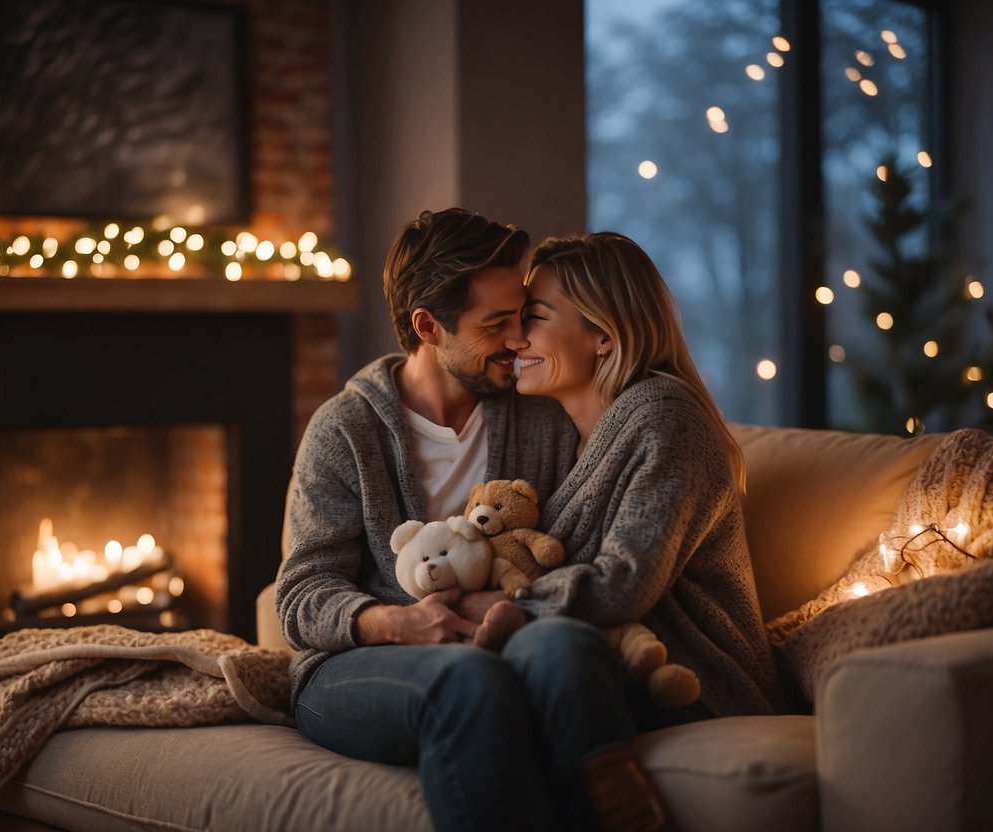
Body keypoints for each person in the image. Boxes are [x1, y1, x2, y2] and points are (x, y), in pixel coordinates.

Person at [276, 208, 580, 831]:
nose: (520, 339)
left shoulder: (541, 422)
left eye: (521, 316)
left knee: (510, 671)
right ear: (428, 327)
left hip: (500, 646)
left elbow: (569, 552)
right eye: (496, 324)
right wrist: (399, 623)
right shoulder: (345, 431)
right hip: (347, 670)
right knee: (467, 682)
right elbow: (301, 598)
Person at [509, 231, 787, 824]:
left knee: (540, 655)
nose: (516, 338)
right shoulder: (565, 436)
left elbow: (624, 583)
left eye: (533, 318)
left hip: (696, 684)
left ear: (604, 334)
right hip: (611, 671)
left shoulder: (667, 417)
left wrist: (505, 602)